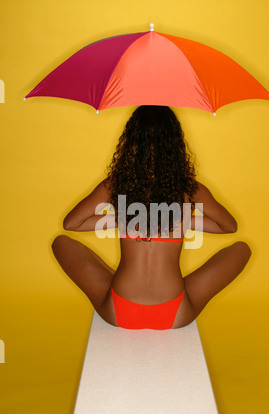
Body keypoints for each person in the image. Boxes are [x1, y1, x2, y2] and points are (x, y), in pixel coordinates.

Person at [52, 106, 251, 329]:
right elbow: (228, 226)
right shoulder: (191, 189)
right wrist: (180, 220)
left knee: (60, 242)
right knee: (242, 249)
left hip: (119, 311)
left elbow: (71, 224)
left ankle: (117, 280)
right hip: (175, 313)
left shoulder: (115, 185)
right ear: (176, 146)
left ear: (130, 143)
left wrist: (124, 218)